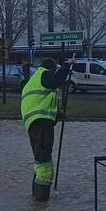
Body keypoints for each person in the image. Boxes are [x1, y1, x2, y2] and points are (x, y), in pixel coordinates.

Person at [21, 57, 75, 202]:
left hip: (34, 124)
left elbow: (40, 101)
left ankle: (36, 199)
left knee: (40, 158)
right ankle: (41, 199)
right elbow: (56, 80)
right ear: (52, 69)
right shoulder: (44, 75)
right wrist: (66, 66)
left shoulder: (35, 80)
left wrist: (58, 115)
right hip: (41, 124)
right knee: (44, 160)